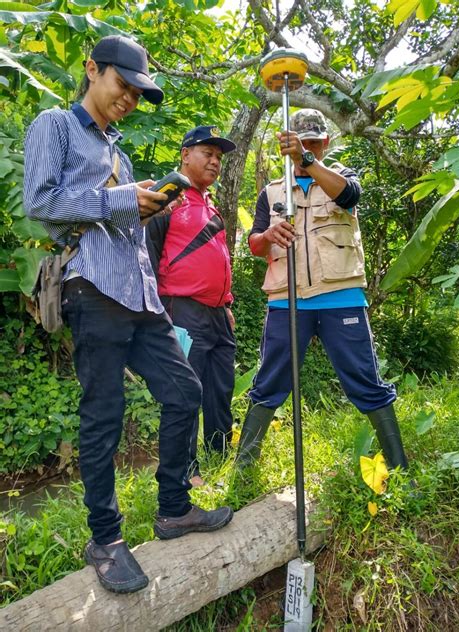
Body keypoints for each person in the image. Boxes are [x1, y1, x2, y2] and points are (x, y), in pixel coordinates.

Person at [23, 35, 233, 595]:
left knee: (185, 391)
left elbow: (122, 219)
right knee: (104, 417)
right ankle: (106, 539)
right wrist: (122, 200)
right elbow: (39, 203)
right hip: (91, 290)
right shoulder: (56, 126)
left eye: (139, 95)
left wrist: (146, 200)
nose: (130, 100)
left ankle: (172, 509)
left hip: (140, 296)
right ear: (93, 70)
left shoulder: (119, 150)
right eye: (125, 86)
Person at [236, 109, 409, 472]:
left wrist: (307, 160)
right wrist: (267, 237)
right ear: (284, 147)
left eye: (313, 142)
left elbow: (348, 197)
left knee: (365, 380)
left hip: (341, 298)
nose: (305, 149)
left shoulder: (340, 176)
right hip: (286, 301)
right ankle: (243, 469)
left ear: (324, 143)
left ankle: (400, 467)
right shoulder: (271, 190)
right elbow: (254, 242)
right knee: (269, 381)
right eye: (298, 144)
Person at [147, 126, 236, 487]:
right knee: (187, 392)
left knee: (221, 388)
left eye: (218, 157)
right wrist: (156, 313)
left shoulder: (209, 202)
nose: (215, 161)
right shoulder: (168, 197)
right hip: (182, 310)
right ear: (185, 154)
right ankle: (188, 471)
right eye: (207, 154)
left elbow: (219, 259)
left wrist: (226, 302)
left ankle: (220, 459)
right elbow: (149, 256)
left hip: (218, 315)